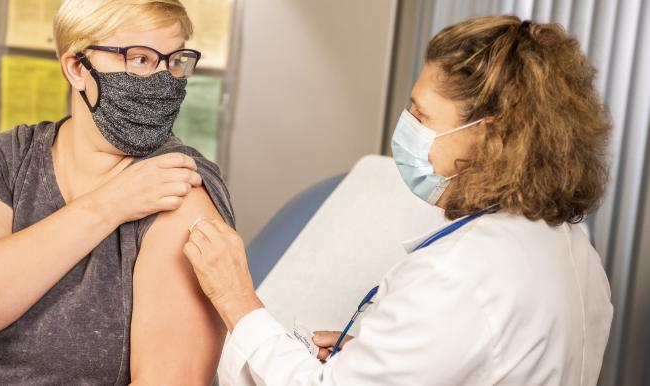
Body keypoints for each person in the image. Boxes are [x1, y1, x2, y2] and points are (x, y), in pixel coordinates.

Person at [182, 16, 613, 385]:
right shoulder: (576, 253)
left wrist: (237, 299)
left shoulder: (461, 272)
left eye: (421, 116)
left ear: (489, 134)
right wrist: (382, 358)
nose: (406, 127)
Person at [0, 1, 233, 384]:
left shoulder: (179, 184)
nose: (163, 80)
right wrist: (110, 205)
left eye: (174, 61)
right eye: (139, 59)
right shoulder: (8, 158)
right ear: (76, 68)